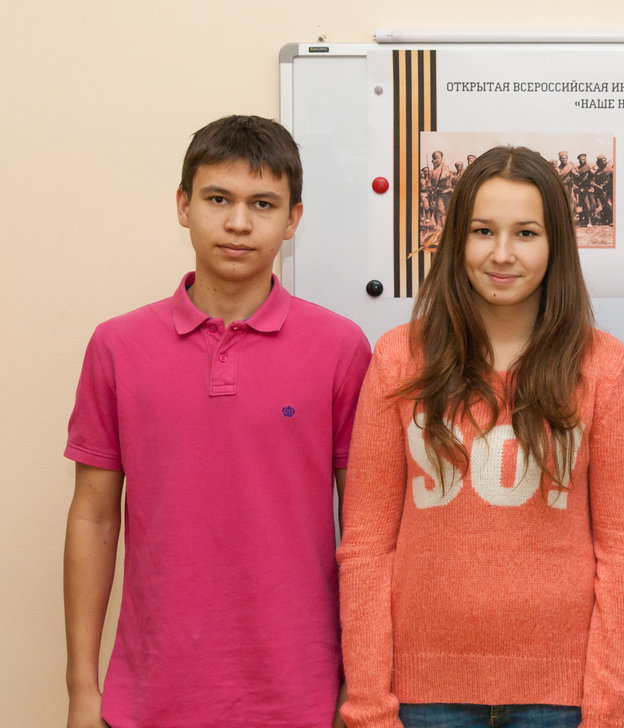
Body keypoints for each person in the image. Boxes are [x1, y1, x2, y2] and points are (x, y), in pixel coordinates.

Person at [63, 115, 373, 728]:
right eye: (218, 199)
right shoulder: (117, 346)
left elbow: (364, 531)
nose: (238, 222)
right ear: (183, 206)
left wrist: (360, 685)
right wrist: (80, 689)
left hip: (302, 697)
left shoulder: (341, 348)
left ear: (293, 219)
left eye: (263, 204)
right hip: (149, 696)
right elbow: (93, 517)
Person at [338, 145, 624, 728]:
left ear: (556, 245)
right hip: (421, 697)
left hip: (560, 699)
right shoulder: (398, 358)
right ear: (456, 239)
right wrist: (368, 705)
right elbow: (365, 547)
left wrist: (609, 710)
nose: (502, 254)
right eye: (483, 231)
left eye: (526, 233)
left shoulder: (603, 367)